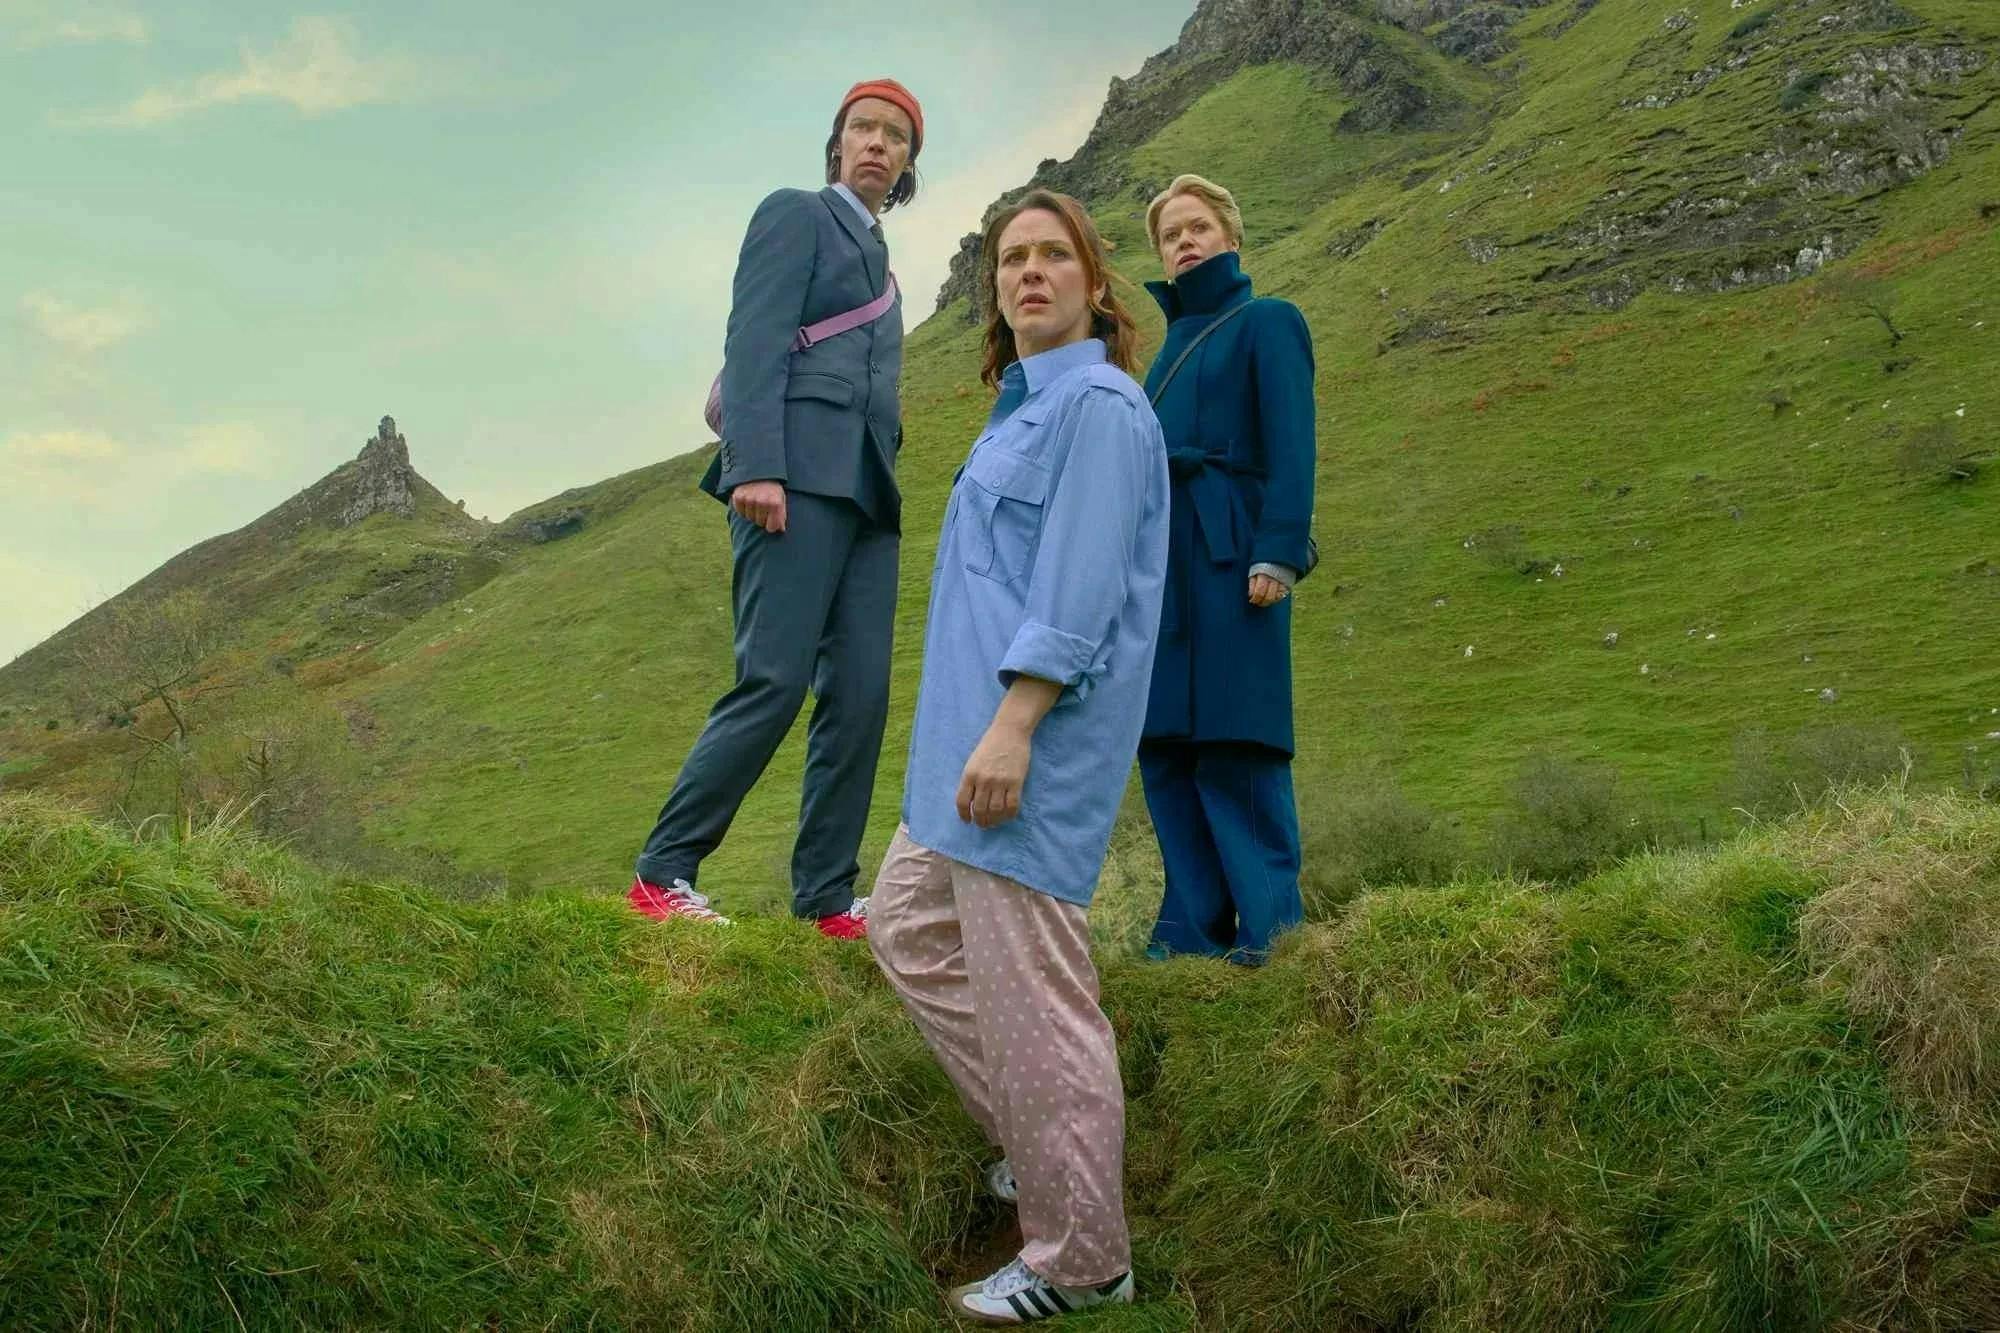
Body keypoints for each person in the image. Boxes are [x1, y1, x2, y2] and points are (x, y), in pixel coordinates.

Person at [867, 190, 1168, 1324]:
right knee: (904, 926)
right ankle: (1043, 1148)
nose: (1029, 271)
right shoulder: (1020, 411)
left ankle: (1083, 1261)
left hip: (1022, 749)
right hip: (961, 749)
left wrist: (1016, 725)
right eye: (1011, 258)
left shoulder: (1100, 406)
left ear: (1094, 282)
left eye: (1052, 255)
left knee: (1039, 1002)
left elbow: (1079, 591)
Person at [626, 79, 923, 940]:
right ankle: (661, 873)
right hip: (789, 480)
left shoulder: (886, 271)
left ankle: (826, 898)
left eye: (895, 135)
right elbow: (753, 337)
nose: (877, 142)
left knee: (861, 695)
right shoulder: (796, 213)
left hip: (868, 498)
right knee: (775, 679)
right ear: (838, 143)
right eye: (863, 128)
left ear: (908, 163)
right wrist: (755, 466)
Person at [1137, 174, 1318, 965]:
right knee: (1167, 744)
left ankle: (1270, 932)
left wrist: (1278, 549)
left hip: (1232, 551)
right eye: (1170, 234)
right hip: (1162, 572)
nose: (1185, 241)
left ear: (1232, 237)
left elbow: (1292, 441)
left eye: (1198, 227)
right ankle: (1188, 936)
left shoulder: (1269, 321)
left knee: (1236, 738)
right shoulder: (1162, 357)